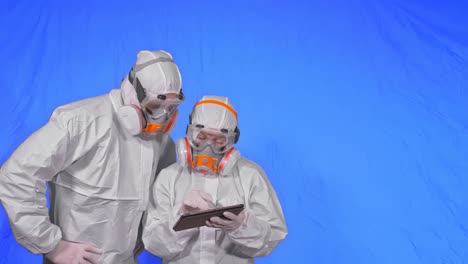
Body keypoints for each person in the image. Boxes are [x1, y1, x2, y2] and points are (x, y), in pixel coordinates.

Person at [0, 50, 184, 264]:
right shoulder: (82, 121)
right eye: (155, 105)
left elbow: (160, 205)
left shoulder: (161, 143)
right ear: (132, 92)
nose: (163, 115)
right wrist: (51, 245)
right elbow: (16, 176)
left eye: (171, 107)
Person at [142, 95, 288, 263]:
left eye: (219, 140)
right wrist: (182, 217)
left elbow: (273, 238)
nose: (208, 147)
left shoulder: (250, 175)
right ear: (190, 133)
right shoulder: (169, 177)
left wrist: (242, 226)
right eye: (202, 137)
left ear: (231, 141)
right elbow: (153, 244)